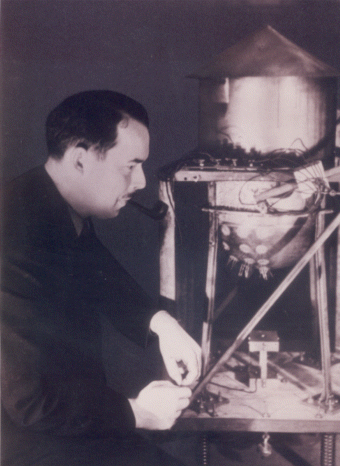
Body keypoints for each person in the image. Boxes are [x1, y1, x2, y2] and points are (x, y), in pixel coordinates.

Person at [1, 90, 201, 466]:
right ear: (80, 159)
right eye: (130, 166)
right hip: (30, 445)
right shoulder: (11, 237)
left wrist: (161, 324)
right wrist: (138, 412)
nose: (140, 181)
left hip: (69, 427)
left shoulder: (46, 199)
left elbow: (98, 271)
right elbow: (29, 401)